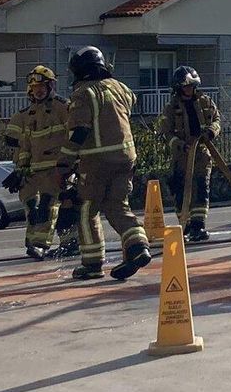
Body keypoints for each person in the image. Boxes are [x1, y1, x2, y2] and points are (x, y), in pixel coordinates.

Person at [58, 46, 151, 281]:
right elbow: (128, 107)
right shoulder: (121, 88)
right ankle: (138, 246)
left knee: (88, 209)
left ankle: (92, 263)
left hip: (97, 161)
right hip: (126, 157)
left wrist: (64, 163)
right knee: (118, 205)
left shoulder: (83, 93)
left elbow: (79, 132)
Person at [1, 65, 70, 260]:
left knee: (49, 204)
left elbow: (75, 135)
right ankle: (32, 243)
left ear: (51, 86)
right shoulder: (24, 115)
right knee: (32, 206)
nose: (38, 91)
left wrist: (72, 164)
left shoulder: (62, 107)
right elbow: (12, 140)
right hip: (31, 172)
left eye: (41, 86)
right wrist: (20, 169)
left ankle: (42, 244)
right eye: (34, 88)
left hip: (55, 169)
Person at [156, 66, 221, 243]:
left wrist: (211, 132)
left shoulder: (205, 102)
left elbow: (216, 120)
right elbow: (166, 133)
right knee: (181, 190)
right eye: (185, 86)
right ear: (178, 88)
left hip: (202, 153)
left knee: (201, 188)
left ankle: (199, 225)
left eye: (191, 86)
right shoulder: (171, 108)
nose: (188, 89)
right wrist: (180, 145)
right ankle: (185, 225)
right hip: (181, 156)